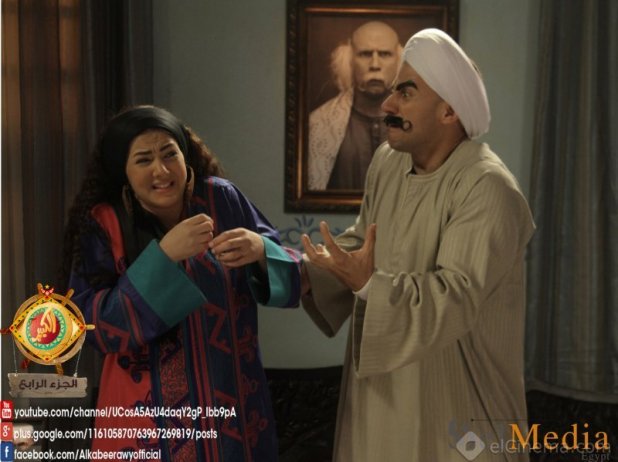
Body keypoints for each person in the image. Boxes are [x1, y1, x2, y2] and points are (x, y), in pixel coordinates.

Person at [301, 29, 535, 461]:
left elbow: (455, 297)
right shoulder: (388, 163)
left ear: (449, 110)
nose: (387, 106)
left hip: (459, 416)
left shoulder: (488, 188)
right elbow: (364, 245)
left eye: (405, 93)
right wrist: (294, 269)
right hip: (378, 402)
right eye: (394, 92)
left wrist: (368, 284)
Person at [60, 105, 301, 462]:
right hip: (143, 432)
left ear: (185, 157)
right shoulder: (105, 223)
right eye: (144, 160)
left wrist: (262, 250)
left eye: (169, 154)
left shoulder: (222, 199)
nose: (161, 170)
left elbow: (295, 274)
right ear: (122, 171)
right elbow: (88, 327)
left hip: (235, 424)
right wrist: (163, 258)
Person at [307, 21, 401, 190]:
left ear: (399, 60)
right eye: (365, 54)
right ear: (349, 60)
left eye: (385, 54)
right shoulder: (319, 122)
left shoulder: (419, 123)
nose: (375, 65)